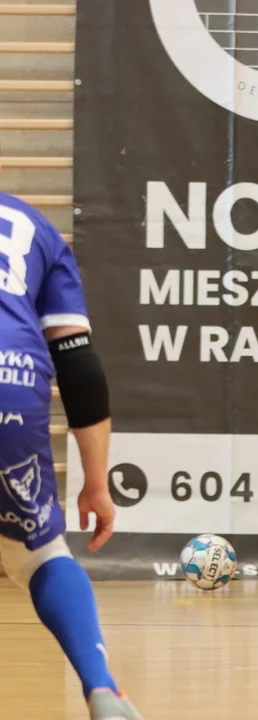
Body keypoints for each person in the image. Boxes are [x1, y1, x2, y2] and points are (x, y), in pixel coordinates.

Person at [0, 185, 143, 718]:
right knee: (40, 557)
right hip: (10, 383)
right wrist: (98, 484)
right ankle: (101, 686)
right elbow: (78, 365)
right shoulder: (34, 227)